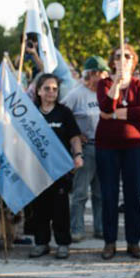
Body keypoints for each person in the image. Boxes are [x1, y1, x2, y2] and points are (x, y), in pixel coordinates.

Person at [96, 44, 140, 260]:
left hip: (134, 146)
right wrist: (116, 84)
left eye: (127, 56)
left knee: (132, 195)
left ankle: (133, 241)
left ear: (133, 60)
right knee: (109, 195)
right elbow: (106, 107)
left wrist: (118, 115)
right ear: (113, 61)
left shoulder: (139, 84)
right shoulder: (104, 83)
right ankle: (109, 242)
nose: (123, 59)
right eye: (118, 56)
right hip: (107, 146)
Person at [30, 73, 83, 259]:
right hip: (37, 170)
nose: (51, 92)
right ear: (38, 91)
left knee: (60, 209)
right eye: (47, 88)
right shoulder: (31, 113)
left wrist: (77, 154)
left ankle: (62, 243)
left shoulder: (64, 112)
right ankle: (41, 243)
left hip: (60, 170)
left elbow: (74, 137)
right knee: (40, 209)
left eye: (54, 89)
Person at [61, 56, 109, 242]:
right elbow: (63, 113)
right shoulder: (77, 93)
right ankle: (77, 228)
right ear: (92, 74)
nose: (104, 77)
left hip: (105, 146)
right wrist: (75, 133)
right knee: (80, 192)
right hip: (86, 146)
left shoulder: (105, 92)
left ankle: (100, 227)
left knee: (101, 192)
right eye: (100, 73)